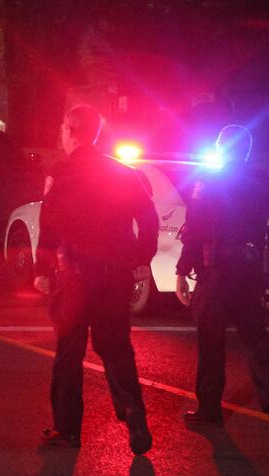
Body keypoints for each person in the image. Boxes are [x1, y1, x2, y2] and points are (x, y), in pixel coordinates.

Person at [33, 105, 159, 454]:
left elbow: (49, 225)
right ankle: (134, 415)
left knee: (69, 351)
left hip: (74, 275)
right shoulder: (122, 173)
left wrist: (42, 271)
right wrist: (140, 258)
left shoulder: (60, 172)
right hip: (114, 274)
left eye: (62, 128)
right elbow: (148, 218)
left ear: (72, 131)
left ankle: (68, 430)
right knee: (116, 348)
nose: (60, 135)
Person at [175, 124, 269, 437]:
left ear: (220, 149)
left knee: (210, 341)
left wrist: (182, 270)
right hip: (249, 269)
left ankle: (210, 409)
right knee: (255, 335)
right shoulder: (260, 178)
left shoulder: (208, 180)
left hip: (218, 270)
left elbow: (195, 228)